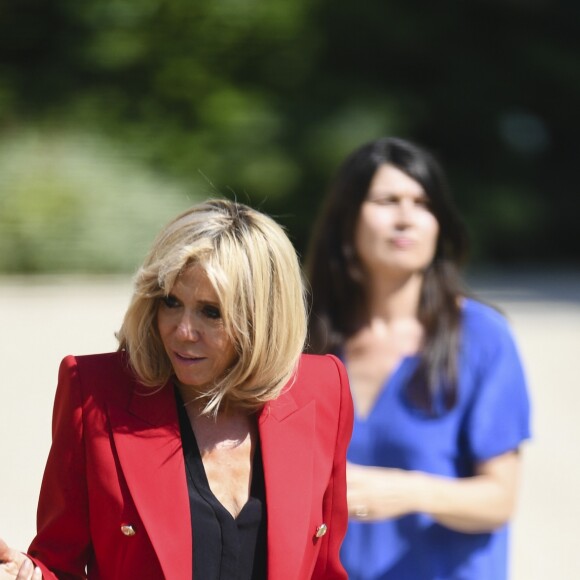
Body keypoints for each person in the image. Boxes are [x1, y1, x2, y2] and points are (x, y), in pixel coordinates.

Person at [0, 198, 353, 580]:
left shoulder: (323, 390)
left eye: (211, 312)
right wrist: (32, 574)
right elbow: (59, 564)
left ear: (263, 317)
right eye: (171, 302)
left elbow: (325, 569)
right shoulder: (94, 393)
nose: (183, 331)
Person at [305, 137, 531, 580]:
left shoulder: (483, 338)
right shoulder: (305, 337)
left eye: (422, 203)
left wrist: (409, 492)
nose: (406, 218)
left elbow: (500, 499)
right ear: (346, 219)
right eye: (388, 200)